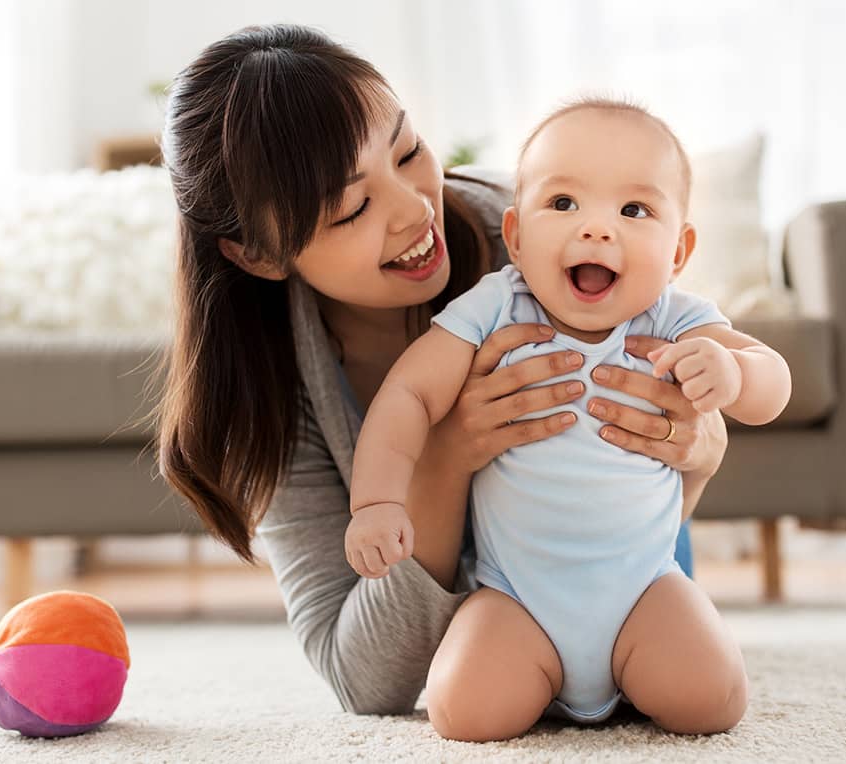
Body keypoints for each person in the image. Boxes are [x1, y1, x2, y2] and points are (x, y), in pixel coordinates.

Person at [152, 24, 737, 727]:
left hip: (635, 583)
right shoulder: (270, 390)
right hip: (498, 639)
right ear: (257, 254)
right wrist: (443, 460)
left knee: (696, 685)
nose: (413, 208)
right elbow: (364, 679)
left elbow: (682, 392)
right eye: (354, 208)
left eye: (407, 151)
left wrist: (700, 453)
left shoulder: (541, 243)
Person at [345, 99, 792, 740]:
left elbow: (771, 381)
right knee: (463, 713)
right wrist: (377, 502)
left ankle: (635, 669)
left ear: (679, 250)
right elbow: (408, 396)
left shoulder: (674, 317)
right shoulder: (496, 306)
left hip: (645, 588)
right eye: (563, 204)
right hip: (516, 598)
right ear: (517, 236)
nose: (596, 230)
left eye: (634, 211)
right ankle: (544, 675)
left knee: (711, 700)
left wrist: (736, 372)